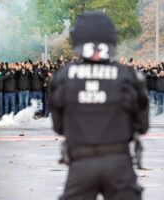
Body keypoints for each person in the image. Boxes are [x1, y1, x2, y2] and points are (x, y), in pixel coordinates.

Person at [49, 11, 149, 200]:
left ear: (77, 40)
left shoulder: (63, 77)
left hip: (80, 164)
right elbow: (142, 126)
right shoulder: (127, 76)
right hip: (119, 163)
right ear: (112, 39)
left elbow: (58, 127)